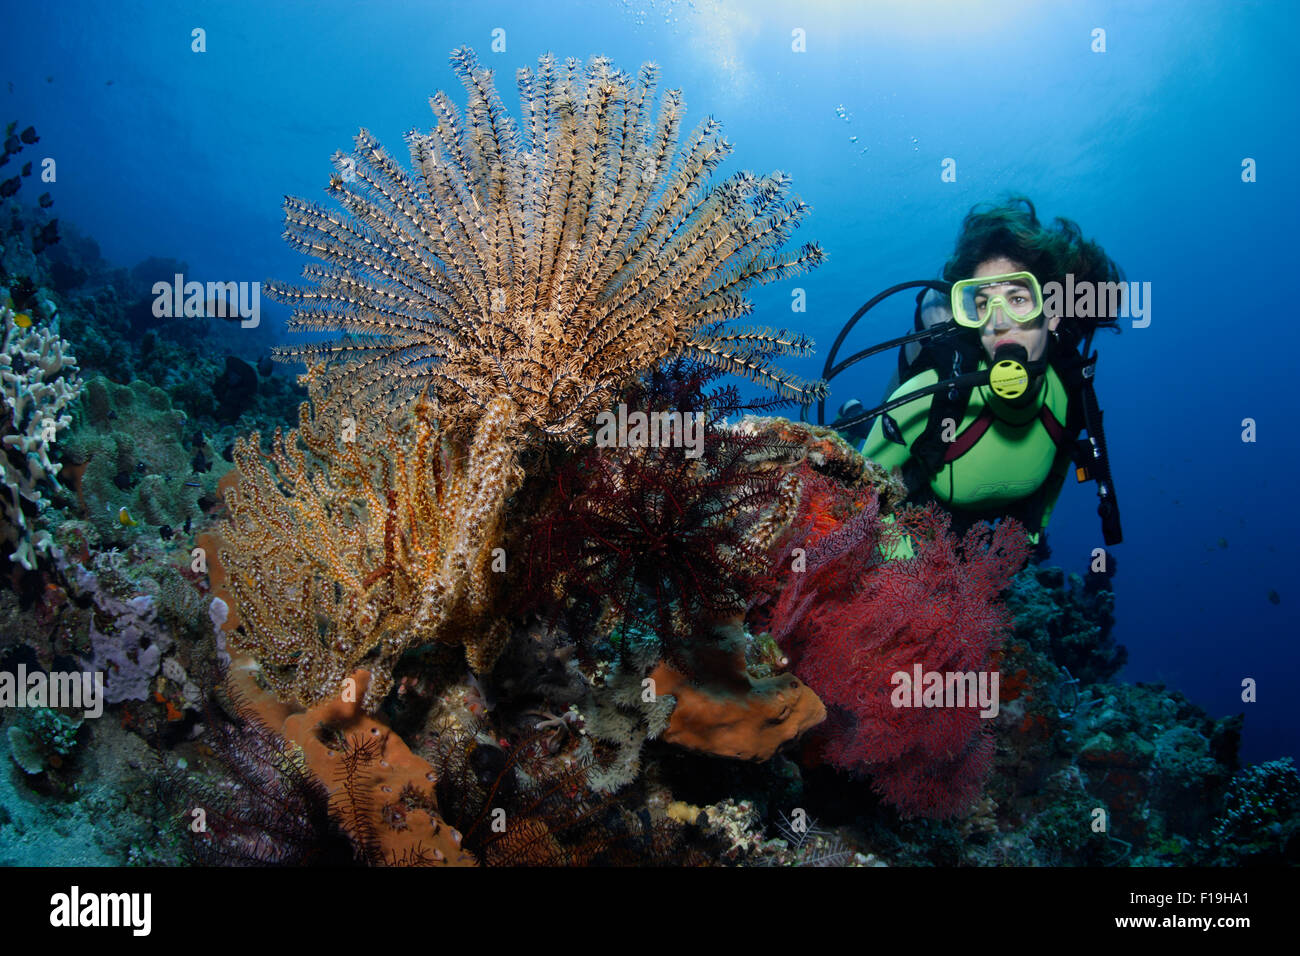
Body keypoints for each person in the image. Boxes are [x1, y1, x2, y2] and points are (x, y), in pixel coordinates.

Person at [857, 197, 1123, 556]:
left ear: (1054, 312)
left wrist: (1033, 531)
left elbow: (1060, 467)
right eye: (983, 304)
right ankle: (854, 415)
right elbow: (861, 491)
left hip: (985, 533)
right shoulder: (932, 396)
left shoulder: (1070, 396)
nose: (998, 322)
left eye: (1017, 299)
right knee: (858, 432)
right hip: (923, 519)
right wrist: (903, 570)